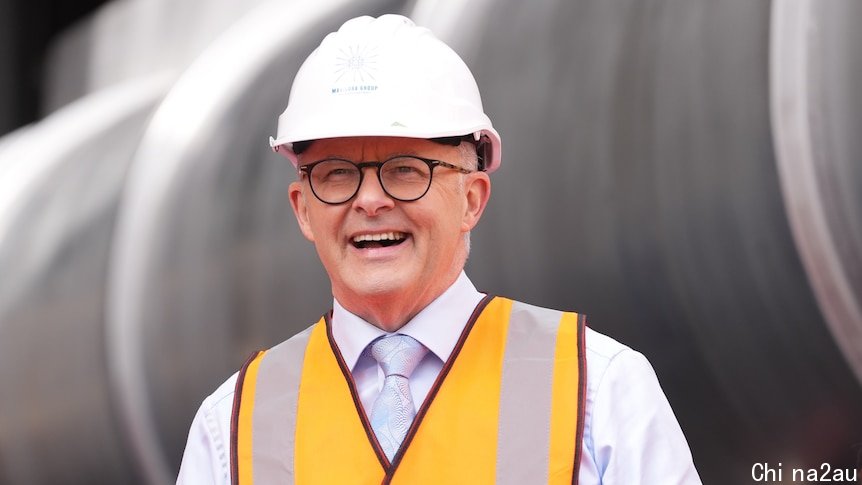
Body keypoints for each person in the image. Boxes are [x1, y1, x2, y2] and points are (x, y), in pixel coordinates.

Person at [177, 14, 701, 484]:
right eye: (337, 174)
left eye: (406, 169)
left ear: (472, 199)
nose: (371, 200)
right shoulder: (231, 430)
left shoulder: (598, 391)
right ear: (303, 209)